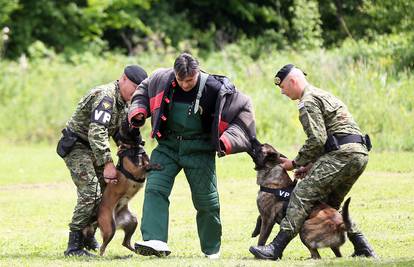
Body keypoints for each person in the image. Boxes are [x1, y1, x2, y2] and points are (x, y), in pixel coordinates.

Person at [128, 53, 258, 259]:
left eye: (190, 80)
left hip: (199, 149)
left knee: (206, 202)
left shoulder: (215, 88)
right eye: (181, 80)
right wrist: (139, 110)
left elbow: (244, 110)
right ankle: (155, 240)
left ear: (197, 72)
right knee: (155, 189)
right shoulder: (163, 79)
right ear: (175, 75)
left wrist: (225, 141)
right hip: (167, 147)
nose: (185, 84)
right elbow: (144, 88)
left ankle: (211, 249)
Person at [249, 64, 377, 260]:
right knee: (326, 206)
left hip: (341, 155)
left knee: (301, 195)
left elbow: (317, 139)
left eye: (282, 87)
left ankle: (275, 248)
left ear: (292, 81)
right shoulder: (323, 94)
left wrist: (294, 163)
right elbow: (331, 138)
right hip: (358, 154)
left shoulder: (307, 101)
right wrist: (309, 166)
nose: (282, 92)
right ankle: (363, 246)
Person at [57, 65, 148, 257]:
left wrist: (127, 146)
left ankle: (88, 237)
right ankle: (73, 246)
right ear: (123, 79)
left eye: (139, 90)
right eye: (134, 87)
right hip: (78, 146)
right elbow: (97, 132)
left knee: (105, 193)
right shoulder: (106, 97)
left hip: (94, 149)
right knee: (91, 192)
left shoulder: (123, 102)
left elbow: (116, 130)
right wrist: (107, 163)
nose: (135, 93)